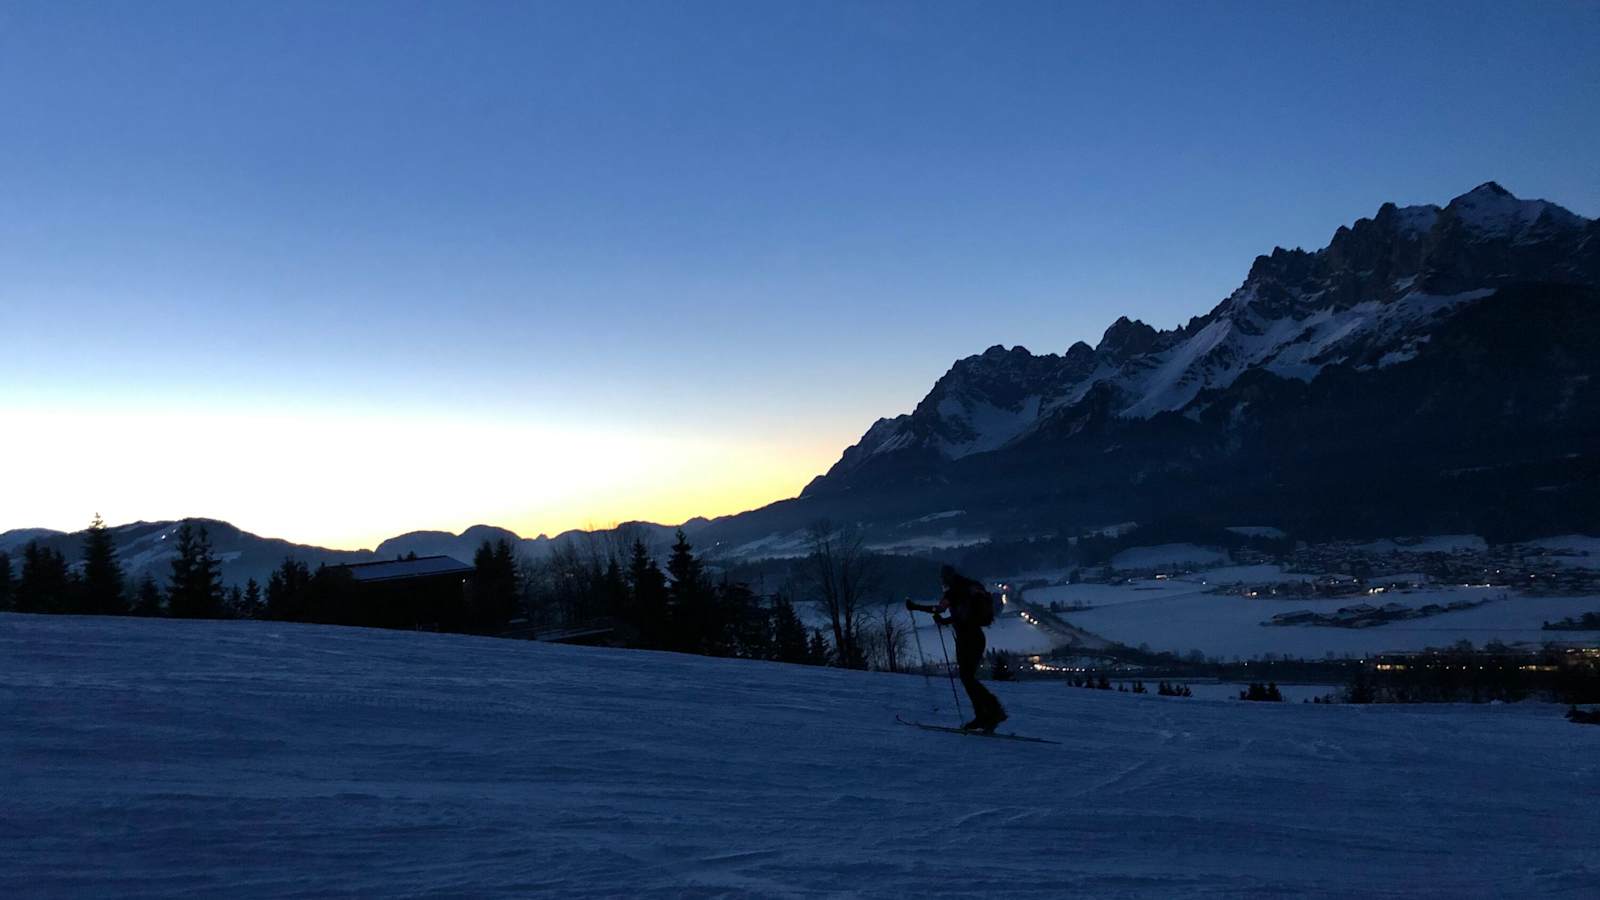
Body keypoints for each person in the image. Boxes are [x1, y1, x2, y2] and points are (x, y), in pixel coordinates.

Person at [907, 565, 1007, 733]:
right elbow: (960, 616)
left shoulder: (953, 592)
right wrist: (945, 621)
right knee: (968, 678)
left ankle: (993, 711)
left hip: (967, 639)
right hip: (976, 637)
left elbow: (938, 609)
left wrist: (914, 607)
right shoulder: (967, 588)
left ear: (946, 578)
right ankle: (985, 715)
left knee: (967, 678)